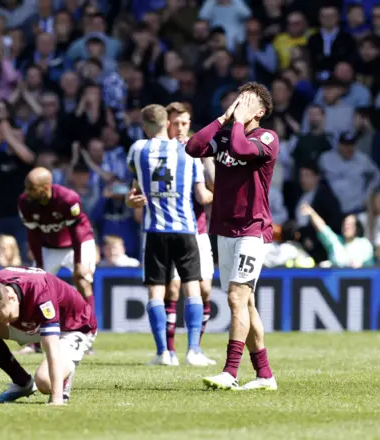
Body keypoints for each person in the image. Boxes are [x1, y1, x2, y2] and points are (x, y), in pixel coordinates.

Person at [186, 83, 279, 391]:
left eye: (247, 101)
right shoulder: (227, 133)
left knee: (236, 298)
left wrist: (236, 122)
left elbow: (241, 149)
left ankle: (231, 371)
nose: (239, 104)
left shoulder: (266, 138)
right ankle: (265, 375)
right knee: (246, 303)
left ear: (261, 111)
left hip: (253, 228)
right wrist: (223, 118)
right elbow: (193, 148)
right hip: (225, 228)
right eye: (238, 99)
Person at [126, 104, 212, 367]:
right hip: (186, 229)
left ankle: (164, 352)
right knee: (192, 287)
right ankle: (194, 351)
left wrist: (135, 200)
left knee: (156, 291)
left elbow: (136, 185)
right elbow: (201, 195)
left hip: (155, 230)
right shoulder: (189, 153)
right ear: (168, 123)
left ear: (145, 126)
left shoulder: (138, 149)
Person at [0, 266, 97, 405]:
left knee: (44, 381)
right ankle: (22, 383)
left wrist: (56, 399)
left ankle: (62, 384)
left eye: (7, 316)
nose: (6, 323)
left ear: (12, 297)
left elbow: (51, 347)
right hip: (32, 323)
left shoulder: (40, 292)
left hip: (73, 327)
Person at [15, 167, 97, 355]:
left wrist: (78, 262)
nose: (27, 192)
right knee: (36, 289)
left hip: (79, 243)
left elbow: (77, 232)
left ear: (45, 188)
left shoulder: (67, 198)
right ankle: (34, 341)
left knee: (83, 282)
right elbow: (33, 234)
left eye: (32, 188)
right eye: (26, 187)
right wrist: (40, 264)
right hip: (49, 246)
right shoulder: (25, 202)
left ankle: (88, 335)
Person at [163, 101, 215, 367]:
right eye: (176, 123)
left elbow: (210, 189)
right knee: (172, 289)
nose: (181, 128)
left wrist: (205, 156)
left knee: (205, 290)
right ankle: (168, 351)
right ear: (166, 124)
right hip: (169, 230)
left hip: (198, 230)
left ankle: (195, 348)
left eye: (185, 123)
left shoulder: (195, 152)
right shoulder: (158, 153)